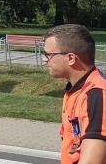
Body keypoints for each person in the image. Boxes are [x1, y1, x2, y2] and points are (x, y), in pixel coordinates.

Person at [43, 23, 106, 164]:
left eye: (48, 55)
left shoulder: (96, 94)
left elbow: (92, 161)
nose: (44, 59)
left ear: (71, 58)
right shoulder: (76, 91)